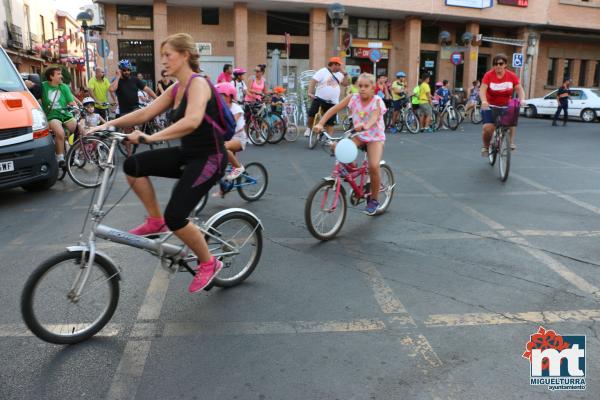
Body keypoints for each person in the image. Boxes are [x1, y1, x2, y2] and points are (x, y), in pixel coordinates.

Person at [91, 33, 228, 293]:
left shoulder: (198, 84)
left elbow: (192, 121)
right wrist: (107, 124)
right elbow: (145, 112)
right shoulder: (176, 88)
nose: (163, 60)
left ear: (185, 55)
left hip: (211, 158)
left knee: (176, 216)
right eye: (162, 55)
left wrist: (150, 136)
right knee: (133, 166)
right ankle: (155, 221)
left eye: (168, 55)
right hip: (189, 154)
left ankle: (209, 262)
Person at [313, 73, 386, 216]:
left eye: (366, 86)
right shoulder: (353, 98)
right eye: (360, 86)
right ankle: (351, 170)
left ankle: (374, 200)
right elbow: (334, 109)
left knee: (373, 166)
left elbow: (374, 117)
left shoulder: (377, 101)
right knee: (336, 146)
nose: (362, 89)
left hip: (374, 137)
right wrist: (320, 123)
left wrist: (365, 125)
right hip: (357, 135)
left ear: (373, 88)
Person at [480, 53, 525, 155]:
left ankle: (511, 142)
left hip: (505, 105)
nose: (498, 66)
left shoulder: (511, 75)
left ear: (505, 64)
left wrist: (522, 99)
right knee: (488, 128)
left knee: (513, 113)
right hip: (490, 105)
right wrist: (484, 101)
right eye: (495, 64)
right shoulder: (489, 75)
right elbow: (482, 89)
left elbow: (519, 89)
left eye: (501, 63)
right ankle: (486, 146)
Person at [41, 67, 79, 167]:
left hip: (65, 115)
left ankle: (68, 148)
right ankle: (60, 157)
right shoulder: (43, 86)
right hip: (52, 116)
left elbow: (71, 102)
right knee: (60, 132)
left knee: (76, 126)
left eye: (60, 73)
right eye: (58, 74)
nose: (61, 76)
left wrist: (76, 108)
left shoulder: (64, 87)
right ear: (51, 76)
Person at [304, 57, 349, 137]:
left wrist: (345, 74)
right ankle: (309, 128)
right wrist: (310, 92)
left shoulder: (340, 74)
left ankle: (329, 139)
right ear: (334, 65)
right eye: (339, 65)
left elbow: (345, 84)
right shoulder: (323, 71)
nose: (340, 67)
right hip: (319, 99)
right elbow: (313, 81)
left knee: (330, 122)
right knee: (311, 115)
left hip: (333, 102)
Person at [215, 82, 248, 182]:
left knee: (222, 147)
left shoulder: (236, 109)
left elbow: (231, 124)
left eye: (221, 96)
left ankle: (238, 167)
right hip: (229, 139)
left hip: (239, 139)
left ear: (229, 97)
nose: (219, 99)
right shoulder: (221, 109)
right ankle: (223, 185)